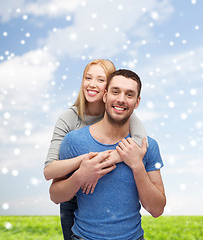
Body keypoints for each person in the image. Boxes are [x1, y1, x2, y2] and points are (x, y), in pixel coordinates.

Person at [50, 69, 166, 240]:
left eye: (129, 94)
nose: (121, 99)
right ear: (104, 95)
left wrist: (137, 165)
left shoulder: (148, 146)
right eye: (115, 91)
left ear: (137, 101)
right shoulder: (73, 141)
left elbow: (157, 209)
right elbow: (55, 196)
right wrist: (80, 176)